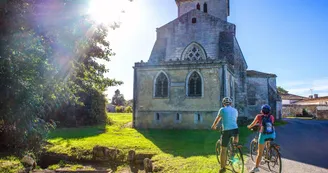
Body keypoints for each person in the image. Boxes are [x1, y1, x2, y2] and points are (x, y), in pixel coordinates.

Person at [211, 97, 239, 173]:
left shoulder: (222, 110)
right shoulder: (235, 110)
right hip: (235, 130)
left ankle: (223, 168)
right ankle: (234, 148)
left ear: (223, 104)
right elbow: (234, 120)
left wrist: (213, 126)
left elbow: (218, 119)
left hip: (226, 130)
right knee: (234, 143)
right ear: (231, 103)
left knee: (223, 150)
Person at [247, 104, 276, 173]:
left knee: (259, 153)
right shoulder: (272, 117)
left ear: (262, 111)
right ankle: (268, 154)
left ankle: (256, 168)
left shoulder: (259, 116)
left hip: (263, 135)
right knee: (268, 140)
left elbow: (253, 124)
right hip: (272, 134)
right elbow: (270, 125)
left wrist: (249, 127)